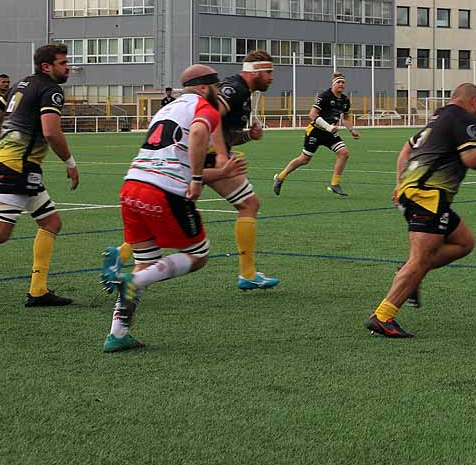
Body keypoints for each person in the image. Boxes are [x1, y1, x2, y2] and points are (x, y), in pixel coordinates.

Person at [99, 64, 247, 352]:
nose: (218, 92)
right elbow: (198, 134)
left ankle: (117, 333)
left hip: (132, 186)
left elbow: (177, 154)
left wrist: (220, 173)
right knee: (198, 255)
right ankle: (130, 279)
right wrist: (194, 178)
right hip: (163, 190)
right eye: (215, 86)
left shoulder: (167, 109)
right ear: (204, 87)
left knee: (146, 262)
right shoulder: (204, 106)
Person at [119, 49, 279, 289]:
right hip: (202, 158)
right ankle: (247, 274)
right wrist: (222, 157)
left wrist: (247, 136)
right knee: (248, 204)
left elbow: (222, 132)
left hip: (178, 162)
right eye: (268, 72)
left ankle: (120, 258)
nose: (271, 77)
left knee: (167, 210)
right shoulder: (234, 89)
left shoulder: (242, 92)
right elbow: (208, 118)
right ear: (254, 73)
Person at [366, 83, 476, 338]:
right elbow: (472, 158)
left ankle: (410, 274)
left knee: (464, 242)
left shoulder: (438, 117)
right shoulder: (463, 117)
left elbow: (406, 148)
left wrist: (400, 182)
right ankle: (383, 315)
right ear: (474, 101)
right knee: (420, 258)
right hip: (427, 195)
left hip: (420, 192)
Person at [0, 46, 78, 306]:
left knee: (51, 223)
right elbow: (51, 132)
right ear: (47, 66)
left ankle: (38, 290)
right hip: (20, 167)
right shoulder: (50, 89)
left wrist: (0, 151)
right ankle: (37, 290)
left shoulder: (21, 84)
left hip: (18, 166)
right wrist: (70, 162)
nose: (68, 67)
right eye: (63, 63)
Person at [273, 72, 360, 197]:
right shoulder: (325, 96)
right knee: (304, 159)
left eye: (343, 82)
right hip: (316, 132)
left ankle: (335, 184)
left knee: (344, 153)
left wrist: (352, 130)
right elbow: (312, 115)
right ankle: (280, 177)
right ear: (333, 84)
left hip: (330, 133)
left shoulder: (345, 100)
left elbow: (345, 118)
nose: (341, 84)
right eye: (339, 82)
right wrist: (329, 127)